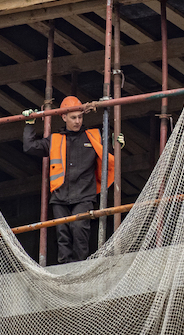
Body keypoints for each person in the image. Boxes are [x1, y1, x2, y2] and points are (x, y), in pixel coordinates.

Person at [21, 96, 115, 264]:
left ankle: (80, 266)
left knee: (79, 230)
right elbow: (30, 147)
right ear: (64, 117)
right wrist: (29, 124)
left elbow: (109, 149)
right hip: (60, 195)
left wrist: (117, 143)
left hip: (84, 194)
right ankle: (65, 267)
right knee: (62, 234)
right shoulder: (55, 139)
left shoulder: (93, 136)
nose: (77, 121)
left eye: (80, 117)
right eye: (73, 117)